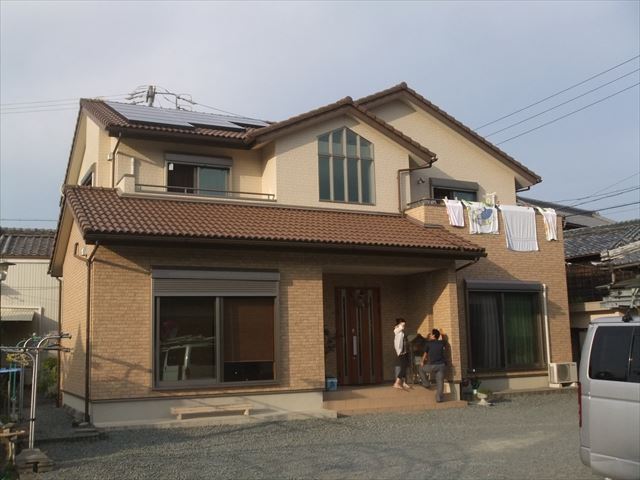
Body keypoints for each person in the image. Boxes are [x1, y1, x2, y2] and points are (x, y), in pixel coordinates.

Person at [419, 328, 447, 402]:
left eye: (431, 334)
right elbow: (444, 340)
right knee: (440, 382)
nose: (429, 335)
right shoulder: (441, 343)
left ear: (433, 335)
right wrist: (441, 334)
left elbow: (425, 354)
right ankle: (439, 398)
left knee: (421, 369)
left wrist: (422, 361)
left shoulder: (428, 343)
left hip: (433, 365)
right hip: (442, 365)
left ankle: (426, 383)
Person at [393, 318, 411, 390]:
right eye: (403, 324)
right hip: (401, 352)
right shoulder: (397, 330)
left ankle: (404, 382)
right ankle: (396, 383)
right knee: (403, 368)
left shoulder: (401, 332)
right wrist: (400, 324)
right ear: (399, 324)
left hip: (405, 352)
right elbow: (398, 328)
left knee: (405, 367)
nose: (404, 326)